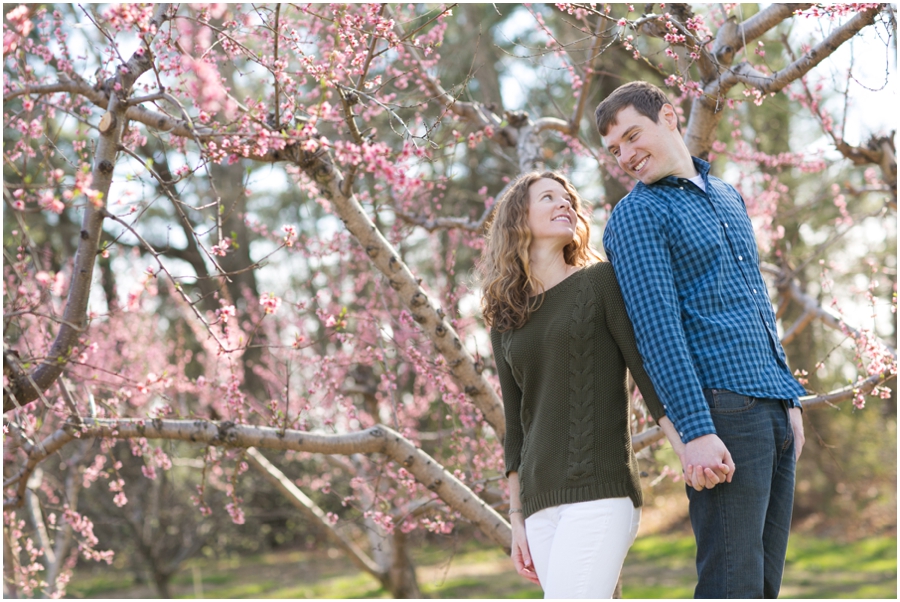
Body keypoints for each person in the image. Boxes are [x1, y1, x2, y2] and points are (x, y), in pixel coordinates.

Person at [595, 81, 807, 598]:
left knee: (764, 586)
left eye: (631, 136)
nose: (625, 155)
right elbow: (657, 331)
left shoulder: (729, 197)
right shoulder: (636, 215)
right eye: (614, 149)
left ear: (668, 117)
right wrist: (694, 431)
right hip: (722, 414)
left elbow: (756, 301)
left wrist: (790, 399)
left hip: (774, 406)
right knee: (730, 584)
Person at [480, 171, 687, 598]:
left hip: (600, 490)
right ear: (518, 217)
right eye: (549, 197)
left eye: (569, 199)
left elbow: (646, 374)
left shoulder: (599, 282)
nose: (565, 204)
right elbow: (517, 424)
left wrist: (687, 448)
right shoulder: (504, 316)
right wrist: (516, 517)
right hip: (538, 504)